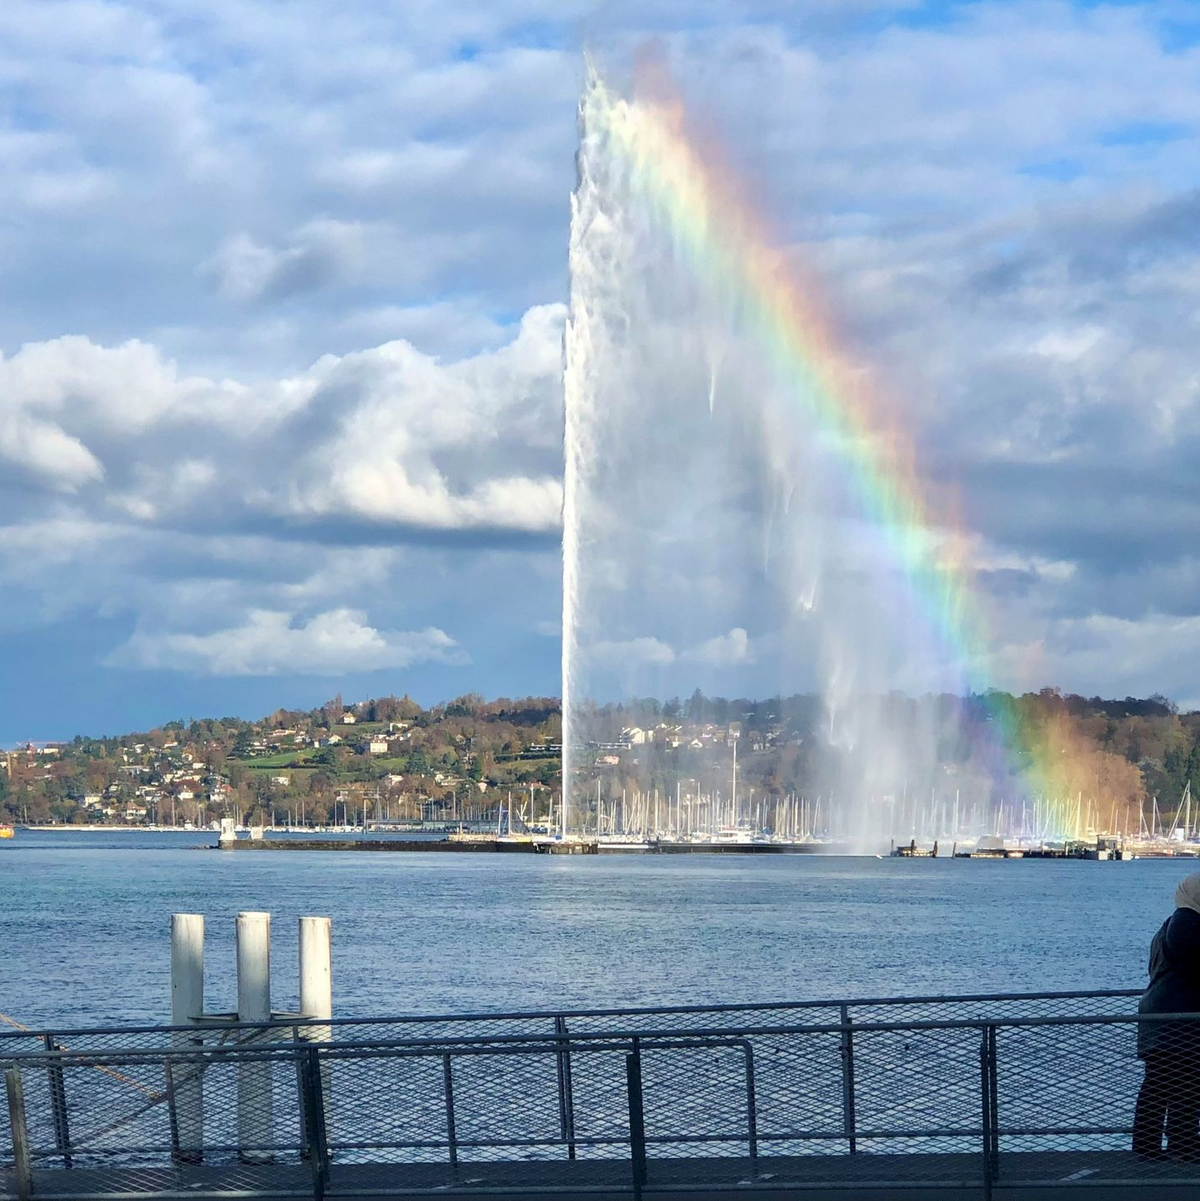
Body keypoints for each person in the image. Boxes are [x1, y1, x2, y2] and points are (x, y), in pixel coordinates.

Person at [1133, 873, 1200, 1160]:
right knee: (1185, 1081)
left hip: (1158, 1011)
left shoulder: (1169, 925)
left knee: (1159, 1081)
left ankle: (1147, 1145)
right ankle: (1182, 1143)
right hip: (1179, 1015)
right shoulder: (1188, 924)